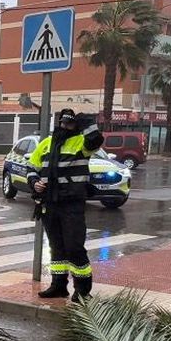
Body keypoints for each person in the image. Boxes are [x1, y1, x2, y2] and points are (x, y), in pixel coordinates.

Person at [27, 109, 104, 301]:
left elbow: (95, 139)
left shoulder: (82, 143)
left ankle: (83, 291)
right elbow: (31, 166)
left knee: (74, 247)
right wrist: (34, 181)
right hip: (50, 203)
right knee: (57, 248)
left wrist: (84, 121)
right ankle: (59, 286)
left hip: (72, 204)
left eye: (69, 124)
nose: (64, 127)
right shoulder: (46, 144)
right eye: (62, 123)